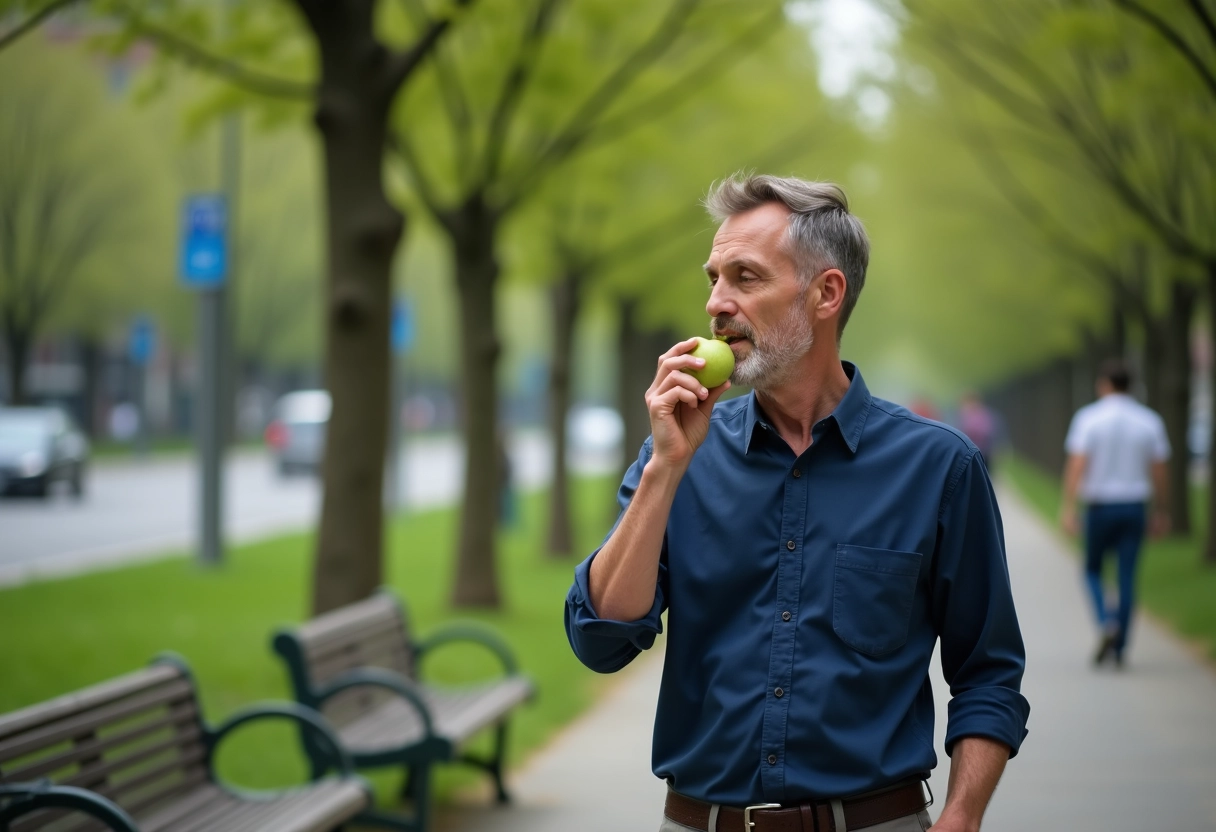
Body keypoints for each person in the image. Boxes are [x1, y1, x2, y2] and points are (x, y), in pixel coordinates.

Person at [565, 174, 1029, 832]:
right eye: (713, 278)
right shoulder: (677, 456)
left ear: (825, 293)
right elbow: (600, 638)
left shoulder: (939, 468)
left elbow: (988, 674)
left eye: (745, 278)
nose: (717, 305)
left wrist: (962, 817)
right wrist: (666, 467)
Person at [1060, 359, 1170, 668]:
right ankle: (1120, 647)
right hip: (1135, 507)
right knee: (1126, 575)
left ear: (1104, 385)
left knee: (1092, 569)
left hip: (1099, 507)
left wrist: (1068, 507)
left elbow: (1078, 463)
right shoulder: (1150, 421)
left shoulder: (1089, 418)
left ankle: (1107, 621)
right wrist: (1162, 510)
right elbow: (1160, 470)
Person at [957, 392, 998, 474]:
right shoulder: (963, 415)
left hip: (982, 452)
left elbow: (988, 431)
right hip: (969, 453)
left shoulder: (983, 414)